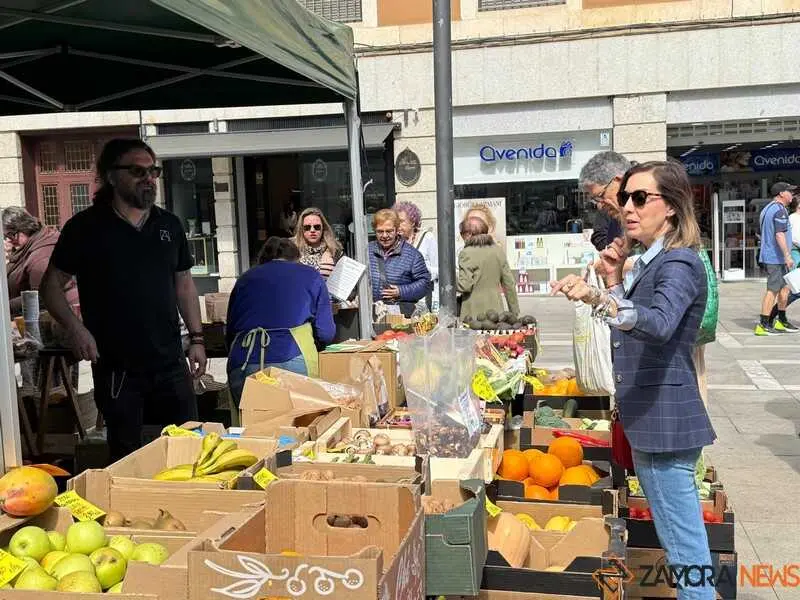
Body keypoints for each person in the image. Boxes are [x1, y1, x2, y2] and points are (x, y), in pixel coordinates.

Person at [551, 160, 715, 600]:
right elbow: (640, 322)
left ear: (673, 208)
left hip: (665, 419)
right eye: (625, 197)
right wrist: (612, 281)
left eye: (642, 198)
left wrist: (597, 298)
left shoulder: (678, 262)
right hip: (655, 417)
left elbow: (659, 323)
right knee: (679, 539)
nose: (628, 207)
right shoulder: (653, 259)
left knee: (684, 547)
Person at [40, 138, 206, 462]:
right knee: (128, 455)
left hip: (170, 362)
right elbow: (50, 287)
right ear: (111, 176)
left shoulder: (168, 226)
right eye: (137, 171)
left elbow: (184, 284)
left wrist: (197, 339)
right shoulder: (85, 229)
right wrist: (76, 330)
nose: (148, 178)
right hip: (118, 368)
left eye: (153, 171)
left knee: (189, 446)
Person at [225, 237, 335, 406]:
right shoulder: (310, 275)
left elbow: (230, 331)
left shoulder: (245, 279)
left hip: (243, 361)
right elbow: (326, 332)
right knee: (298, 426)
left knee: (252, 427)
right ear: (296, 258)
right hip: (293, 357)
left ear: (262, 259)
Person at [3, 207, 78, 317]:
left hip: (61, 318)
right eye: (5, 236)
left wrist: (5, 306)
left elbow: (42, 297)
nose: (8, 240)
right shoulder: (28, 246)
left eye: (11, 234)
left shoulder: (41, 256)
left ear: (24, 228)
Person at [368, 209, 431, 318]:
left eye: (389, 231)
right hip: (370, 314)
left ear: (397, 230)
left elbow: (425, 283)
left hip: (400, 316)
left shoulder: (412, 255)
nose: (384, 235)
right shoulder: (366, 251)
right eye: (380, 231)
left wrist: (401, 291)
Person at [755, 182, 798, 335]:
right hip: (776, 257)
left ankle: (781, 319)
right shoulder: (779, 211)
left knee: (784, 288)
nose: (792, 195)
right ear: (781, 194)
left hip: (774, 256)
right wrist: (787, 255)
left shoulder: (768, 209)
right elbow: (779, 234)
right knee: (772, 290)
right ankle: (763, 323)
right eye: (790, 192)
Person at [458, 217, 519, 320]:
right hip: (496, 314)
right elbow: (509, 284)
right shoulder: (497, 251)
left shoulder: (466, 253)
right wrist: (514, 312)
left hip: (472, 315)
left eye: (462, 234)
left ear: (468, 234)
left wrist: (450, 280)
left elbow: (465, 286)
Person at [578, 151, 631, 252]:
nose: (600, 206)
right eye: (595, 200)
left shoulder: (653, 212)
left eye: (601, 195)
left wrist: (629, 263)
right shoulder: (615, 222)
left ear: (619, 181)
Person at [394, 201, 439, 310]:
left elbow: (439, 270)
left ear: (413, 222)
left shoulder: (427, 238)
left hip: (426, 300)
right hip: (405, 301)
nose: (398, 226)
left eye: (402, 222)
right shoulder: (396, 243)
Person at [293, 207, 343, 280]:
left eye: (317, 227)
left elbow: (343, 280)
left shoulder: (335, 250)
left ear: (323, 228)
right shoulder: (292, 249)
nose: (312, 230)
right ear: (301, 229)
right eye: (307, 227)